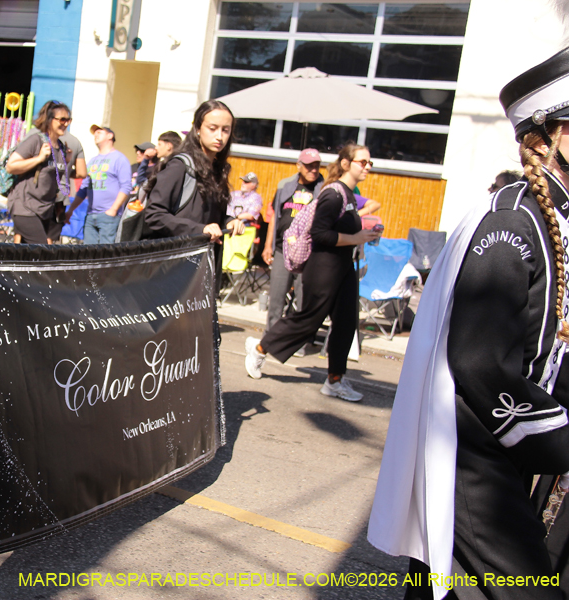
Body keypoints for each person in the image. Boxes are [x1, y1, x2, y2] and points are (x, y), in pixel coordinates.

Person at [368, 47, 569, 600]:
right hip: (475, 460)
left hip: (499, 452)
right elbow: (481, 364)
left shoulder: (551, 219)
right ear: (544, 136)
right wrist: (559, 440)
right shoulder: (512, 226)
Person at [244, 143, 379, 400]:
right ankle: (260, 348)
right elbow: (320, 233)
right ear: (346, 164)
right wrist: (356, 237)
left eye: (370, 163)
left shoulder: (350, 195)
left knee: (346, 323)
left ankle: (335, 380)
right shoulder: (334, 194)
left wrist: (367, 234)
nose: (368, 167)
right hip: (324, 265)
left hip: (344, 266)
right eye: (363, 162)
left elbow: (349, 228)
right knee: (309, 319)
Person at [142, 99, 245, 242]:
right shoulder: (180, 166)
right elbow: (154, 215)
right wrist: (199, 230)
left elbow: (207, 218)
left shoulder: (218, 169)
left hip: (201, 258)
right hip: (175, 258)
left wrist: (228, 221)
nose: (219, 136)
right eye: (212, 128)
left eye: (225, 130)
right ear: (197, 128)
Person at [261, 149, 325, 332]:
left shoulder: (324, 188)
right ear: (299, 166)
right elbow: (275, 216)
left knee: (304, 300)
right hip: (283, 250)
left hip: (310, 254)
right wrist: (268, 246)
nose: (313, 170)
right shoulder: (285, 186)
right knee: (276, 297)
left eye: (316, 166)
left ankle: (299, 341)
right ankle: (270, 338)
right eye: (308, 166)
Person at [5, 100, 71, 244]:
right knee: (41, 251)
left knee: (28, 257)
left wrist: (68, 162)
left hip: (45, 209)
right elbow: (11, 166)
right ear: (49, 120)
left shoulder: (61, 147)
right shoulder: (36, 141)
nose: (65, 123)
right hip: (25, 206)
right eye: (62, 119)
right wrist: (39, 158)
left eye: (68, 119)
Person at [65, 124, 132, 244]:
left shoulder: (119, 159)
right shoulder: (92, 161)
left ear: (110, 135)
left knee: (105, 254)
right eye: (94, 133)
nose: (96, 135)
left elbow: (126, 186)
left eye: (99, 132)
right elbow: (83, 189)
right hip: (91, 215)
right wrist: (71, 210)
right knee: (88, 253)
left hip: (109, 216)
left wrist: (113, 210)